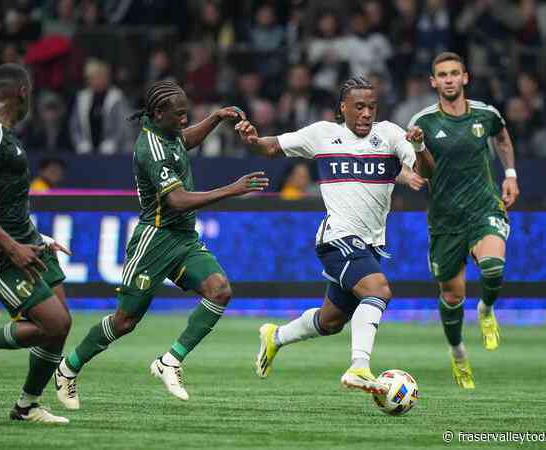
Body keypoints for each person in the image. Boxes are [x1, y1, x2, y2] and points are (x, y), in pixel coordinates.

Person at [54, 80, 269, 407]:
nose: (184, 119)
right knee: (125, 321)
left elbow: (185, 140)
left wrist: (215, 117)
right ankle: (68, 369)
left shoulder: (167, 133)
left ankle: (170, 361)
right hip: (154, 241)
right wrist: (231, 189)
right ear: (158, 113)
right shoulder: (150, 148)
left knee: (220, 290)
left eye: (187, 113)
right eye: (179, 114)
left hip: (183, 239)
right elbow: (178, 200)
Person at [235, 76, 427, 394]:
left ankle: (275, 337)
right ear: (343, 108)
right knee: (378, 289)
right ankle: (360, 367)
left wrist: (418, 147)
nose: (367, 113)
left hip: (371, 244)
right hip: (336, 238)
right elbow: (272, 148)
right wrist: (253, 140)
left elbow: (423, 171)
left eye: (372, 107)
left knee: (331, 321)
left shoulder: (390, 134)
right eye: (359, 107)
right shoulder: (323, 135)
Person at [0, 63, 73, 423]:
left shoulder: (6, 134)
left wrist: (39, 239)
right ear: (22, 91)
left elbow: (6, 201)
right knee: (52, 324)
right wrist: (12, 247)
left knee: (61, 325)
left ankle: (27, 406)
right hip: (0, 251)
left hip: (28, 240)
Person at [407, 52, 520, 389]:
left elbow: (501, 136)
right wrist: (417, 148)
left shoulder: (486, 114)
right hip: (445, 220)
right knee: (453, 297)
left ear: (465, 77)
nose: (449, 79)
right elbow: (425, 173)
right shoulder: (423, 122)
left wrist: (510, 175)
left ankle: (486, 309)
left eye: (455, 73)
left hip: (483, 207)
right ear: (434, 82)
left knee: (492, 268)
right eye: (442, 75)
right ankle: (458, 354)